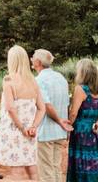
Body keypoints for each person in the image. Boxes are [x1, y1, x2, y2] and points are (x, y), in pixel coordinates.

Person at [0, 45, 46, 180]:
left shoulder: (8, 79)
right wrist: (33, 126)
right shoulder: (33, 80)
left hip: (15, 130)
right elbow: (42, 108)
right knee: (32, 168)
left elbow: (11, 108)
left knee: (16, 170)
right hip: (31, 132)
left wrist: (22, 128)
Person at [67, 58, 98, 182]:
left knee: (82, 163)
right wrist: (97, 124)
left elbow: (73, 113)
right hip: (94, 131)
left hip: (81, 132)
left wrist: (67, 127)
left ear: (83, 72)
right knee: (95, 163)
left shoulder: (80, 89)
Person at [32, 49, 74, 182]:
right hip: (60, 132)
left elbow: (47, 106)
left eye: (33, 57)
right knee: (56, 168)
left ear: (38, 62)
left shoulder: (38, 80)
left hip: (45, 132)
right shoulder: (61, 78)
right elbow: (67, 104)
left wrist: (60, 121)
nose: (31, 59)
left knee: (46, 173)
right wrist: (64, 125)